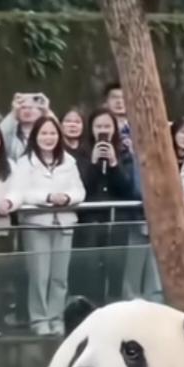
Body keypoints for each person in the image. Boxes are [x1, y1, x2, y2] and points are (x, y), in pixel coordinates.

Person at [11, 116, 85, 336]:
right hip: (37, 223)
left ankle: (56, 317)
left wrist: (67, 197)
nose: (48, 138)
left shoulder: (68, 161)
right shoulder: (25, 163)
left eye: (52, 133)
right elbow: (21, 192)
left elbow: (80, 191)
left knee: (59, 277)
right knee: (39, 275)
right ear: (35, 136)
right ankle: (39, 319)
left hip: (64, 222)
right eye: (44, 133)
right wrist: (48, 196)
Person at [74, 108, 134, 302]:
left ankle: (114, 306)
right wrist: (93, 163)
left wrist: (114, 163)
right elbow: (81, 188)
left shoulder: (125, 152)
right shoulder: (81, 153)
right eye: (98, 126)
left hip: (117, 219)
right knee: (91, 268)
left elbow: (128, 189)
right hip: (90, 219)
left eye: (107, 126)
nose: (103, 130)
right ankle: (92, 306)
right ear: (91, 128)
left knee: (116, 266)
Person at [1, 92, 47, 164]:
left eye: (31, 107)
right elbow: (0, 134)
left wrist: (46, 111)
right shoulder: (11, 133)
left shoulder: (47, 134)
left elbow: (59, 135)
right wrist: (14, 110)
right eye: (23, 107)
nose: (27, 111)